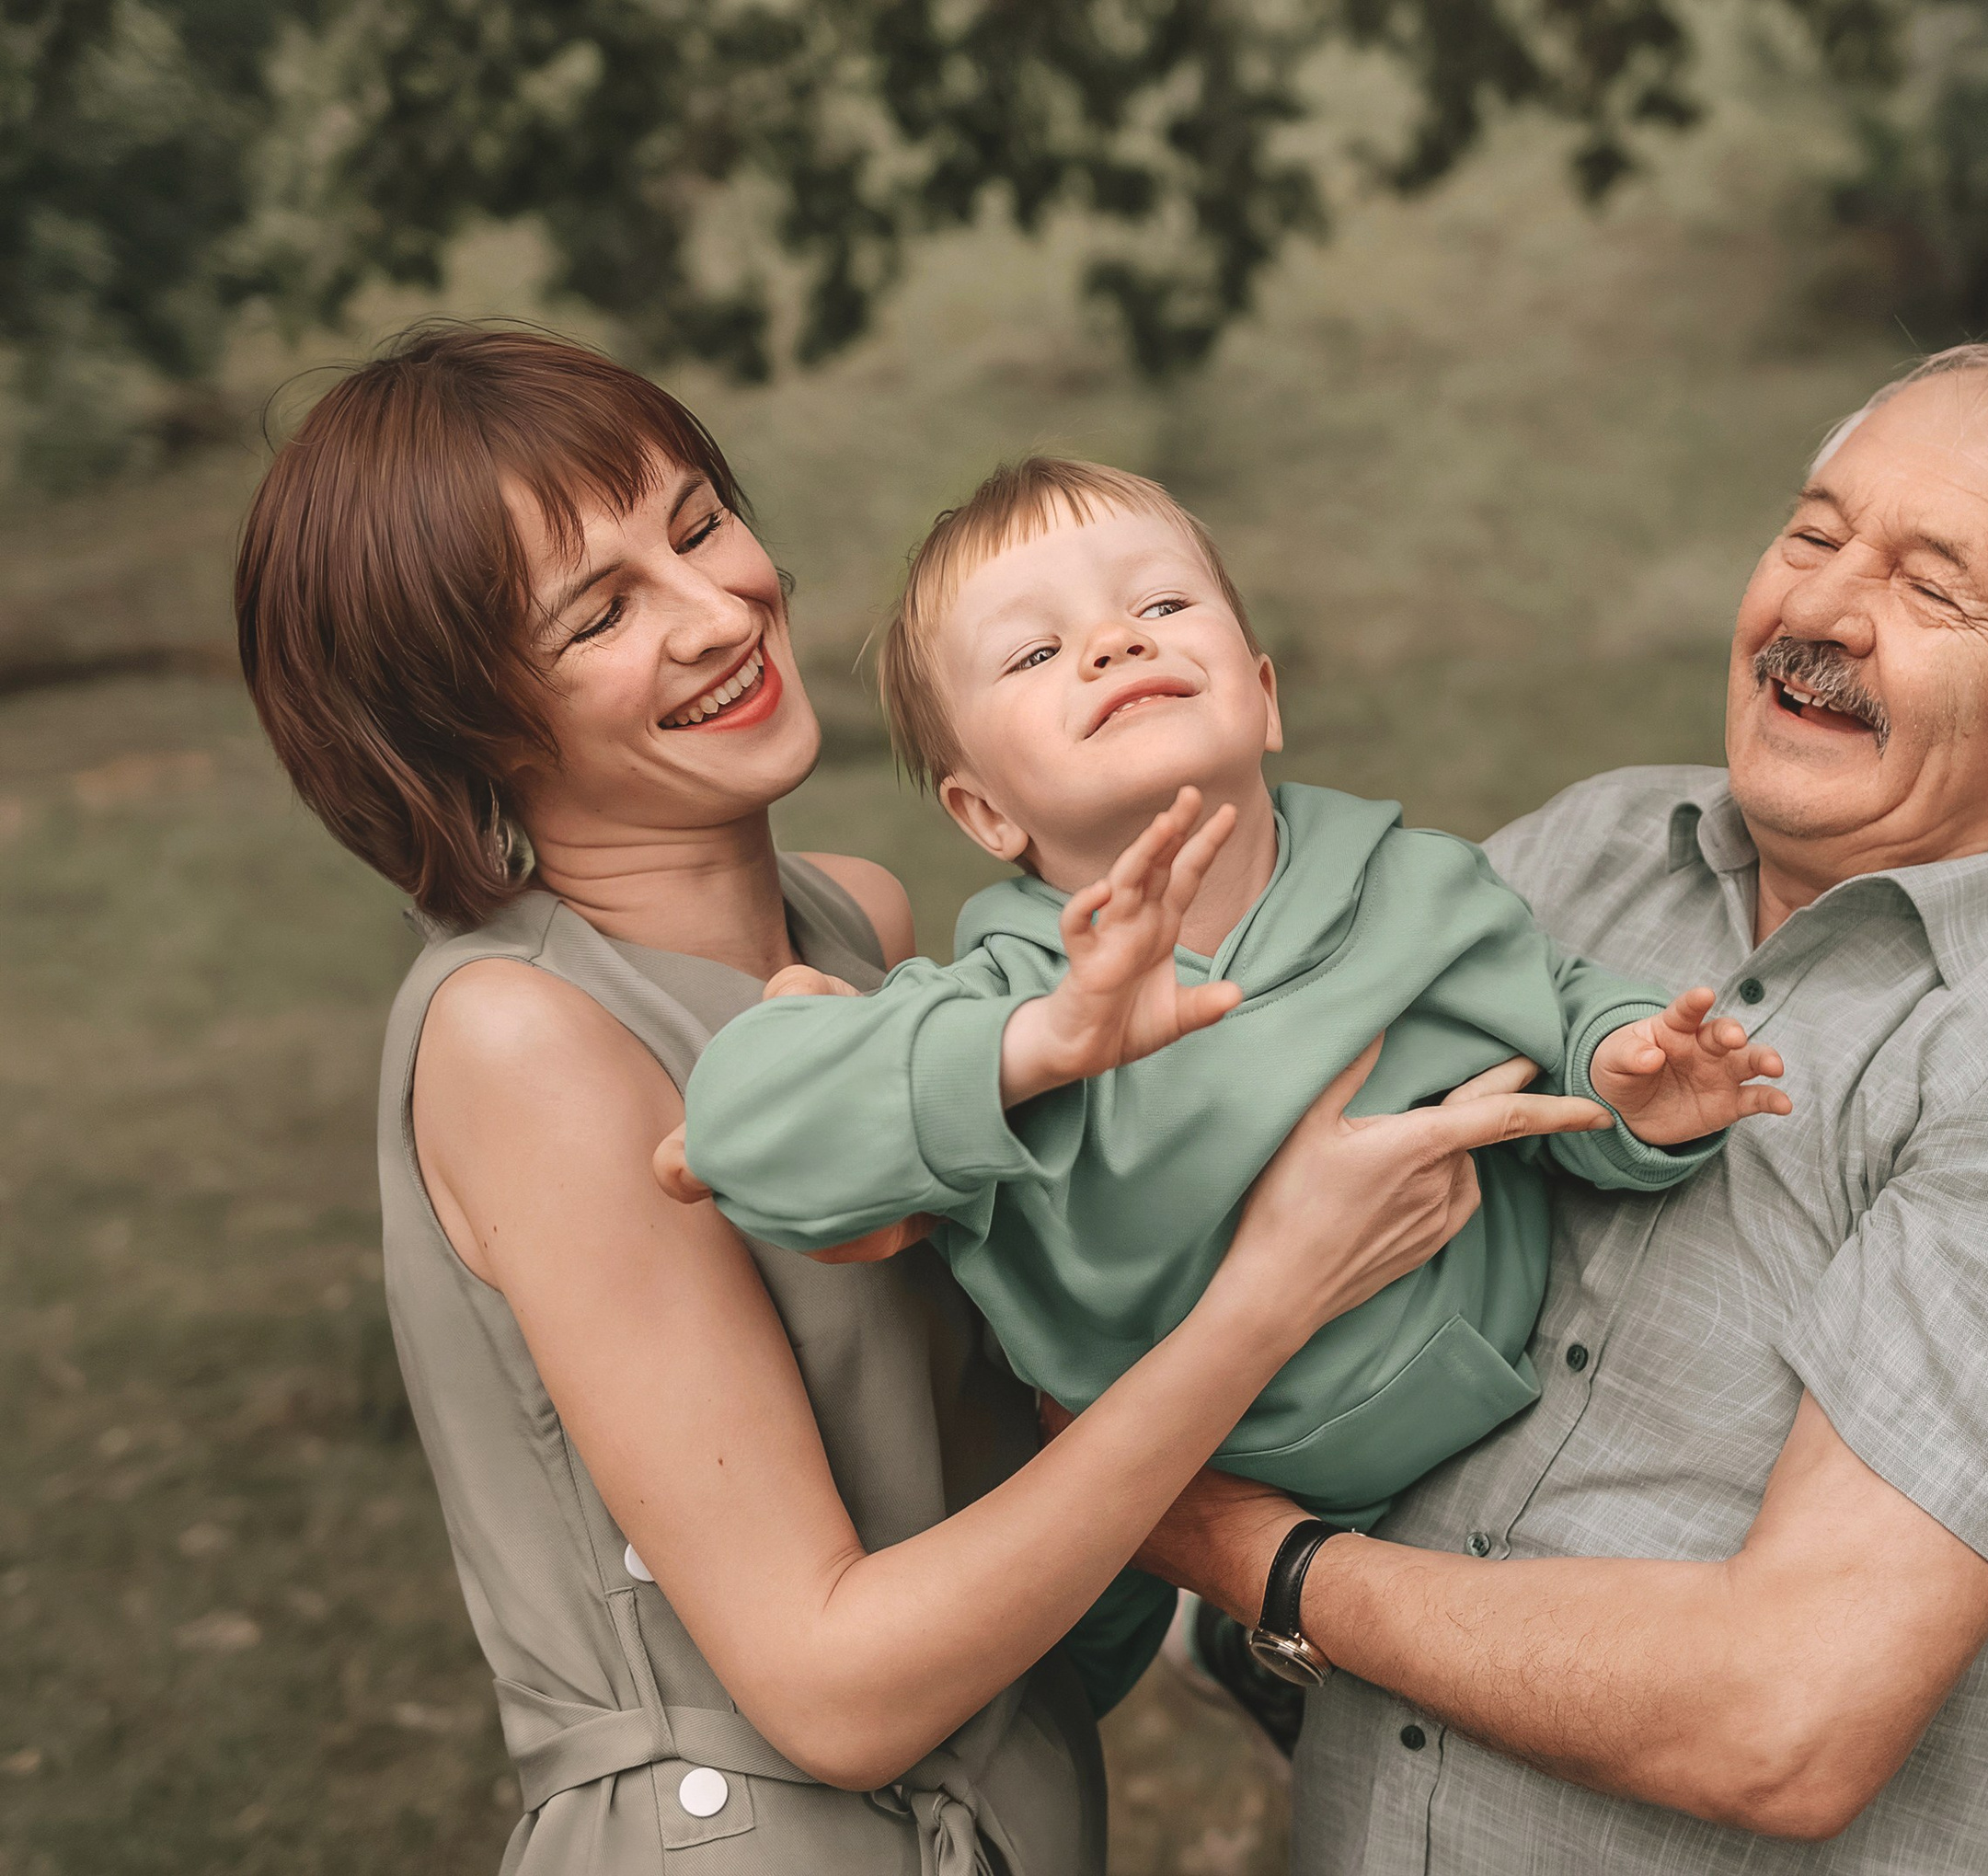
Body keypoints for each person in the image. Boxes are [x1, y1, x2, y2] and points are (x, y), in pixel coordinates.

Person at [232, 323, 1605, 1876]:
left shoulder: (863, 926)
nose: (719, 611)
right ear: (461, 723)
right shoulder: (524, 1037)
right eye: (601, 611)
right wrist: (1271, 1296)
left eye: (700, 524)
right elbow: (833, 1687)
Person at [1134, 344, 1988, 1873]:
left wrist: (1256, 1561)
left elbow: (1783, 1712)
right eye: (1813, 533)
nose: (1821, 609)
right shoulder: (1594, 850)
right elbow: (1254, 1108)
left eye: (1933, 587)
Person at [659, 456, 1790, 1537]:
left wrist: (1624, 1078)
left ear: (1263, 695)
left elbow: (1551, 1019)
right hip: (1160, 1501)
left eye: (1160, 602)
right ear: (985, 812)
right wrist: (1044, 1042)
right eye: (1035, 651)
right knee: (1075, 1659)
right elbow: (738, 1135)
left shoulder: (1419, 889)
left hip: (1485, 1433)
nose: (1115, 641)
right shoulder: (997, 1007)